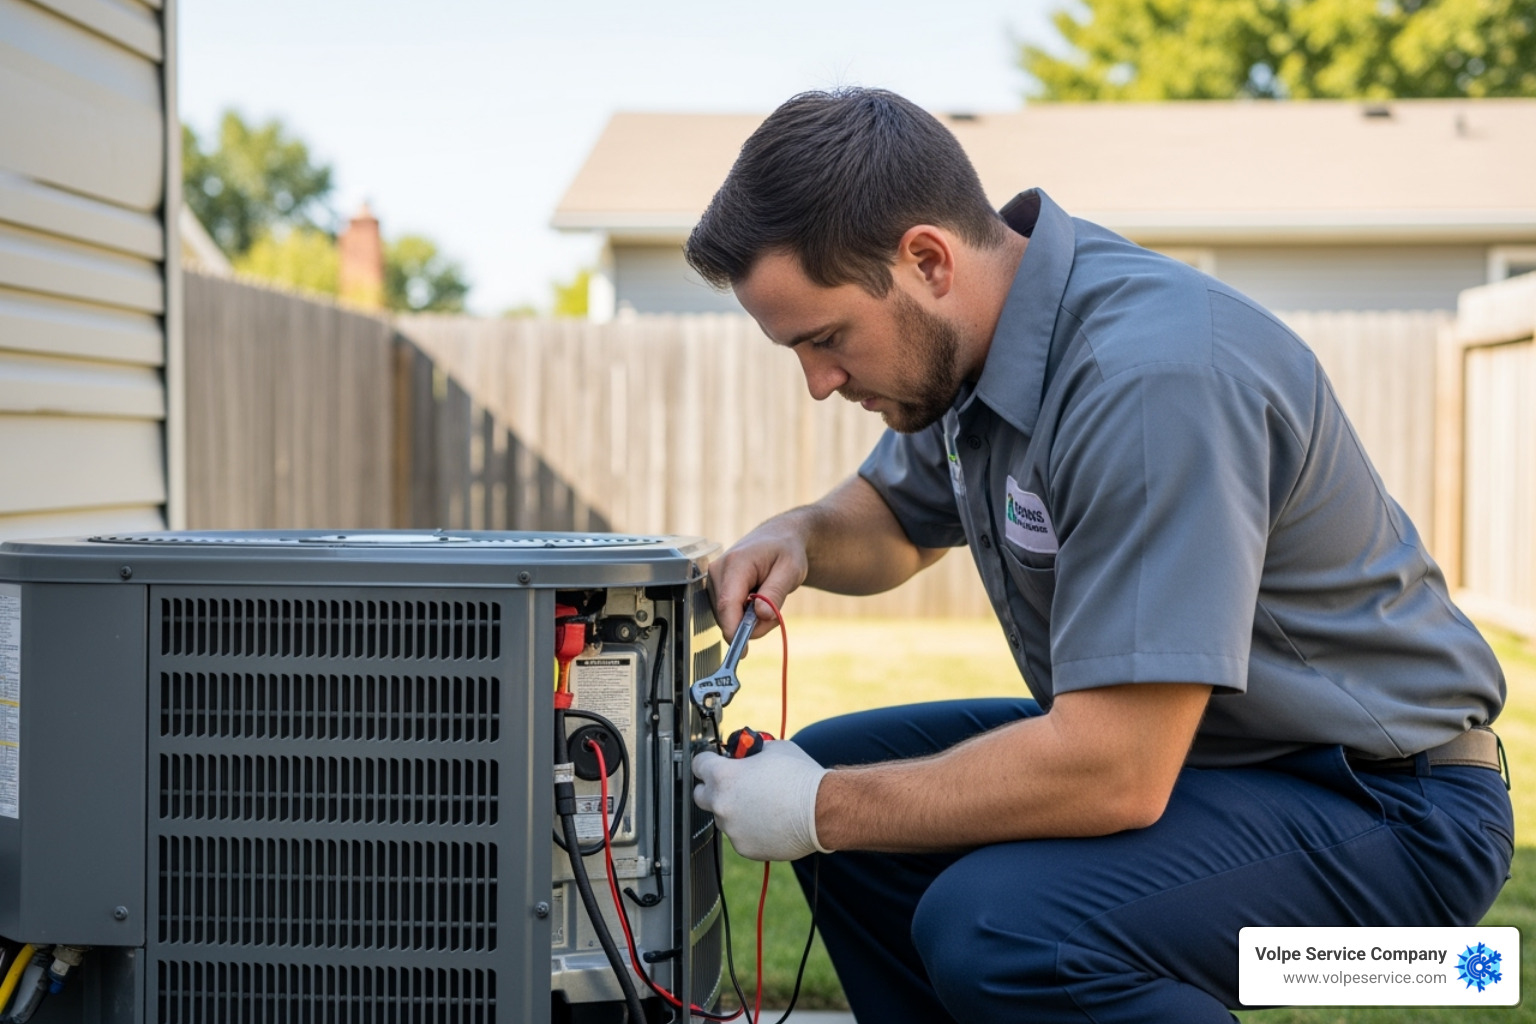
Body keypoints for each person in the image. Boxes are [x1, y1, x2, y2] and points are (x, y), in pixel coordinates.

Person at [684, 87, 1513, 1024]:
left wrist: (818, 811)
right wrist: (800, 532)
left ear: (925, 260)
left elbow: (1114, 770)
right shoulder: (974, 350)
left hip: (1396, 825)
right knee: (841, 771)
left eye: (827, 339)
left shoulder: (1150, 383)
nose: (819, 383)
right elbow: (896, 520)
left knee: (1002, 930)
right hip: (1224, 767)